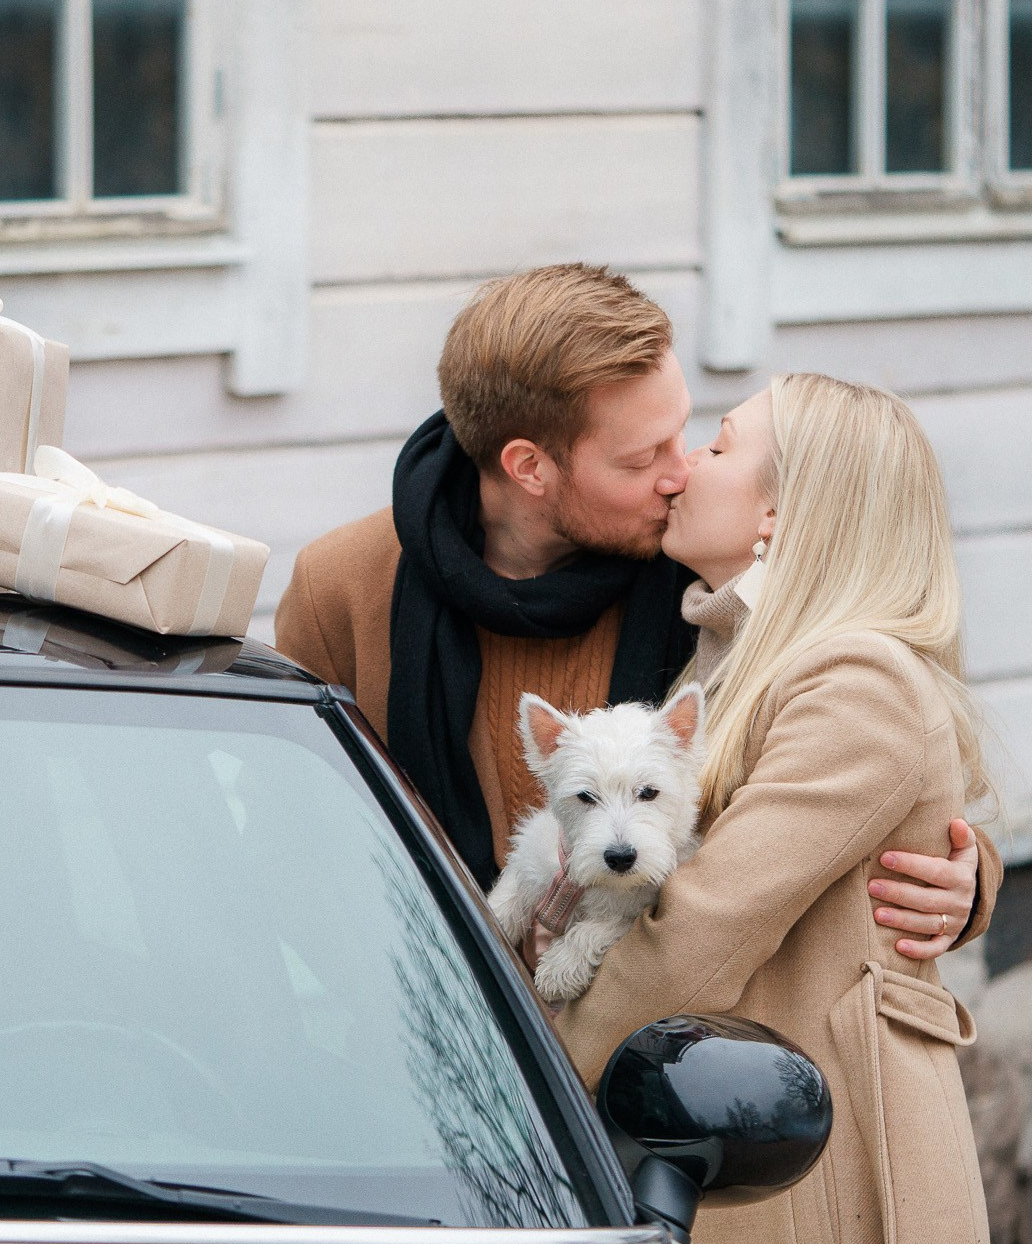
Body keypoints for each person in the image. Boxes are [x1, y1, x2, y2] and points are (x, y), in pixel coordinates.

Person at [273, 263, 992, 958]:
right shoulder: (340, 587)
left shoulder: (704, 562)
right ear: (530, 467)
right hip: (437, 1028)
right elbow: (300, 842)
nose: (680, 472)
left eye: (683, 431)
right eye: (641, 457)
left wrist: (962, 877)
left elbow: (870, 752)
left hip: (654, 1039)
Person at [555, 374, 997, 1244]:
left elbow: (697, 932)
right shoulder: (738, 653)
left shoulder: (851, 678)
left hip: (812, 1188)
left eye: (716, 446)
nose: (680, 472)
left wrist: (524, 1072)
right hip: (746, 1149)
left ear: (778, 512)